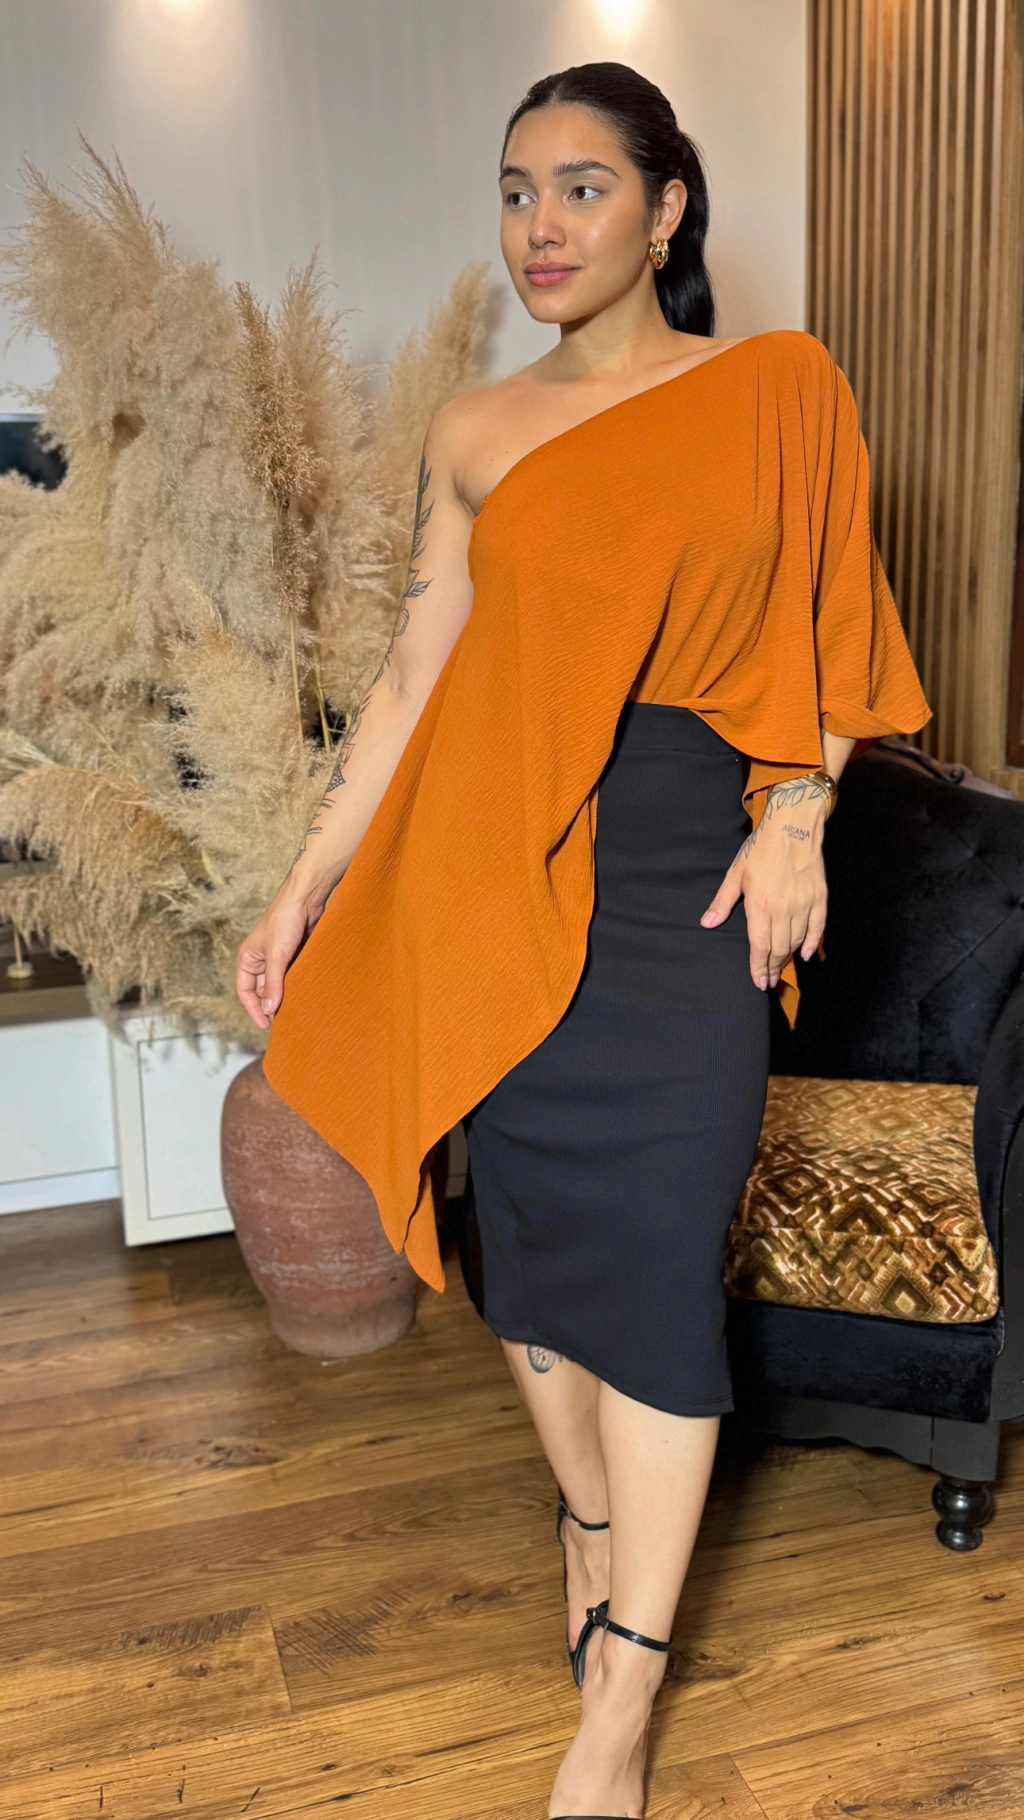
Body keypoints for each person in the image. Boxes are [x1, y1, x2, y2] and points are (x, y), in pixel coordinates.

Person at [236, 60, 931, 1820]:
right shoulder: (474, 428)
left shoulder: (779, 389)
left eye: (582, 187)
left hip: (695, 882)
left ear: (667, 207)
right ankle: (592, 1518)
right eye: (515, 191)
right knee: (532, 1257)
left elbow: (831, 628)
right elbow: (418, 678)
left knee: (661, 1265)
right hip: (499, 863)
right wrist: (304, 883)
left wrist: (797, 813)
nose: (540, 227)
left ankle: (622, 1694)